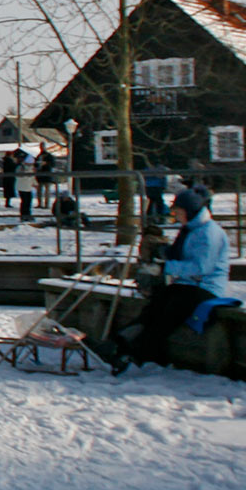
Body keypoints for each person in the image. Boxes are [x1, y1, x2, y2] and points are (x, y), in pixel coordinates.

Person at [91, 186, 228, 374]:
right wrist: (163, 253)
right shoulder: (190, 229)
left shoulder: (208, 233)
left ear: (189, 211)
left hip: (205, 287)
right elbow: (180, 254)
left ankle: (137, 355)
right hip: (186, 284)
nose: (175, 215)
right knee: (155, 306)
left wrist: (165, 268)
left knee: (167, 315)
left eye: (178, 212)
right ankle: (119, 343)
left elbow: (202, 267)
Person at [141, 156, 169, 222]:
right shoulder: (161, 168)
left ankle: (149, 218)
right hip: (157, 187)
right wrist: (164, 186)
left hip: (149, 187)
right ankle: (160, 217)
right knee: (159, 203)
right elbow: (163, 178)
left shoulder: (148, 168)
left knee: (151, 202)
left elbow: (145, 177)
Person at [14, 150, 37, 222]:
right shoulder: (21, 168)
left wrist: (35, 183)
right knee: (24, 201)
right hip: (22, 186)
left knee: (28, 201)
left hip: (28, 187)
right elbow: (19, 177)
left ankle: (28, 214)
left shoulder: (31, 168)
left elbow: (33, 177)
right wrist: (28, 177)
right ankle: (24, 215)